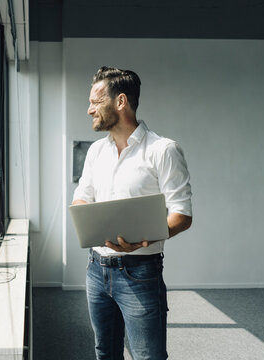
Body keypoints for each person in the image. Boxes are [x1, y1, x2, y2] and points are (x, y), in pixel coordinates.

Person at [72, 66, 193, 360]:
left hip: (140, 273)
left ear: (121, 102)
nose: (89, 110)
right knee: (105, 352)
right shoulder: (96, 152)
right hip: (96, 270)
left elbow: (182, 214)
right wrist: (86, 217)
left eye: (96, 102)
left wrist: (144, 239)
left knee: (147, 356)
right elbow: (81, 199)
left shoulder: (163, 150)